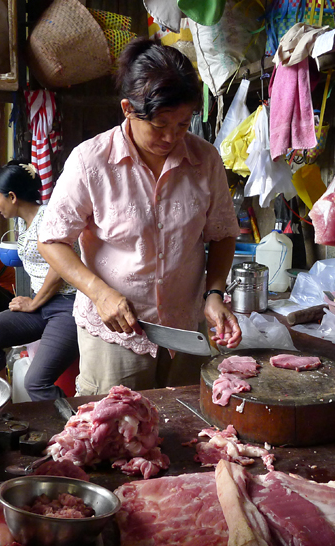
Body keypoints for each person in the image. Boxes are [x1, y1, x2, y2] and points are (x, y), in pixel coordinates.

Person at [37, 37, 241, 396]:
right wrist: (99, 293)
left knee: (186, 427)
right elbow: (52, 240)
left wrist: (214, 293)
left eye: (183, 124)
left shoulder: (205, 160)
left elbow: (222, 232)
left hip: (184, 329)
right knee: (115, 431)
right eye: (160, 124)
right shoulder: (91, 161)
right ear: (128, 109)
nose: (171, 137)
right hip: (116, 335)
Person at [0, 161, 79, 401]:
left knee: (36, 383)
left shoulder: (48, 219)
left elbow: (59, 269)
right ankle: (2, 412)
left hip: (68, 305)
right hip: (44, 304)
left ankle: (72, 433)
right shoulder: (22, 221)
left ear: (12, 196)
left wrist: (32, 303)